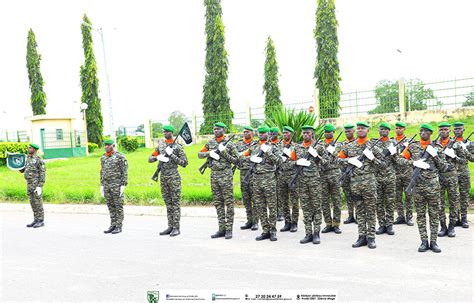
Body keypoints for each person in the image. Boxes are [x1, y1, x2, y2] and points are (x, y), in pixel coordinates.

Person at [399, 124, 447, 253]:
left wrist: (435, 156)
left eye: (426, 131)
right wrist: (413, 163)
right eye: (421, 131)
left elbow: (444, 167)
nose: (423, 133)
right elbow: (400, 160)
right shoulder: (413, 146)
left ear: (431, 133)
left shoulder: (437, 147)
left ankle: (434, 241)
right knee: (420, 216)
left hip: (433, 188)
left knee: (434, 215)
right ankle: (424, 241)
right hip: (418, 187)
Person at [338, 122, 384, 249]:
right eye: (358, 128)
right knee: (360, 211)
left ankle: (371, 238)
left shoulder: (373, 147)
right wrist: (348, 160)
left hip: (369, 184)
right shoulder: (349, 146)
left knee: (370, 211)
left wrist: (372, 159)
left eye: (362, 128)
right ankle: (361, 236)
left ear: (368, 130)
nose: (359, 130)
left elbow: (383, 165)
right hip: (355, 185)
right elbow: (338, 160)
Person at [198, 122, 239, 239]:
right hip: (214, 175)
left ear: (224, 130)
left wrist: (224, 153)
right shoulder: (210, 142)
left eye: (218, 129)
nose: (215, 130)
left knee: (229, 202)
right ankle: (221, 228)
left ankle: (229, 229)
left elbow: (237, 161)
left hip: (226, 175)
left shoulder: (229, 144)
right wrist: (209, 153)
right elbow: (199, 154)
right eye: (214, 129)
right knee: (218, 203)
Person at [242, 125, 281, 241]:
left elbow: (279, 161)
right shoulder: (253, 146)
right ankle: (265, 230)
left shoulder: (273, 147)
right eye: (260, 133)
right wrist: (251, 159)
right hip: (256, 180)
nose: (261, 135)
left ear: (268, 134)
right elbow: (242, 157)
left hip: (269, 179)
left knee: (272, 206)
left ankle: (273, 231)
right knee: (260, 206)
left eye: (264, 133)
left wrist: (268, 152)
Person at [148, 125, 188, 237]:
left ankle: (176, 227)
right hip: (163, 177)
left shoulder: (178, 147)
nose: (165, 133)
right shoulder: (160, 145)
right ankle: (170, 226)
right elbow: (149, 159)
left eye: (167, 132)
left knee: (175, 203)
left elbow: (184, 163)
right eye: (164, 132)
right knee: (168, 203)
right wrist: (158, 157)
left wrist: (172, 155)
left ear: (172, 133)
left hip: (174, 177)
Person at [292, 125, 328, 245]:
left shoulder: (319, 147)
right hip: (302, 182)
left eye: (308, 133)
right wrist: (296, 162)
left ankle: (316, 233)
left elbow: (327, 163)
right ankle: (308, 233)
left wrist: (316, 157)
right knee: (306, 208)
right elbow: (287, 163)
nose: (305, 135)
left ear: (312, 133)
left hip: (315, 182)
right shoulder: (297, 147)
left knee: (317, 207)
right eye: (304, 133)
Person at [435, 122, 464, 238]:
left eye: (446, 129)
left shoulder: (456, 144)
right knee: (439, 203)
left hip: (452, 177)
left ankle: (451, 226)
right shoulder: (434, 145)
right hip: (440, 178)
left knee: (453, 202)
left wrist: (454, 156)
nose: (443, 132)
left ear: (449, 131)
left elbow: (464, 161)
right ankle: (443, 226)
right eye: (441, 130)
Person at [100, 139, 128, 234]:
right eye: (105, 145)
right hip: (107, 185)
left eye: (109, 145)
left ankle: (119, 226)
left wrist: (123, 184)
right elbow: (102, 171)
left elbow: (124, 171)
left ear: (113, 145)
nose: (107, 147)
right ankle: (113, 225)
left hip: (116, 185)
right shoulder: (103, 157)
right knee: (110, 206)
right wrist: (102, 185)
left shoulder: (119, 156)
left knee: (118, 205)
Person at [374, 122, 397, 236]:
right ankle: (381, 224)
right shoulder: (374, 143)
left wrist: (394, 153)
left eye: (385, 129)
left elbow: (397, 161)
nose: (382, 131)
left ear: (389, 131)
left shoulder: (393, 143)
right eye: (381, 129)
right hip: (377, 177)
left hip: (389, 177)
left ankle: (389, 224)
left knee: (390, 201)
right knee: (378, 202)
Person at [320, 123, 343, 234]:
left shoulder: (339, 145)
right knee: (324, 201)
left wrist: (332, 151)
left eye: (329, 132)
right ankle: (328, 223)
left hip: (335, 174)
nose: (327, 133)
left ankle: (336, 224)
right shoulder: (320, 145)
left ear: (334, 133)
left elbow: (340, 157)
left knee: (336, 200)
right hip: (323, 175)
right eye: (326, 132)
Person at [235, 126, 258, 231]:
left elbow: (256, 157)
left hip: (254, 172)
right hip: (243, 172)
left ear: (252, 133)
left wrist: (243, 156)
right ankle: (249, 220)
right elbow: (235, 156)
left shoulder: (256, 144)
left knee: (255, 197)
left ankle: (255, 221)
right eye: (244, 132)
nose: (245, 133)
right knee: (246, 197)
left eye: (247, 132)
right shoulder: (239, 143)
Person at [276, 126, 299, 233]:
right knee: (283, 200)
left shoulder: (296, 146)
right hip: (281, 175)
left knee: (294, 201)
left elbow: (298, 160)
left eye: (287, 133)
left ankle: (294, 223)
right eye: (284, 133)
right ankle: (287, 222)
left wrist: (290, 155)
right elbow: (274, 159)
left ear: (291, 134)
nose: (285, 135)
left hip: (292, 176)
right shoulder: (278, 146)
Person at [393, 121, 414, 226]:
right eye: (396, 128)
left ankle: (409, 217)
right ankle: (400, 216)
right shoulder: (391, 142)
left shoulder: (410, 142)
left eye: (400, 128)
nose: (398, 130)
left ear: (404, 129)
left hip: (407, 172)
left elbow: (414, 156)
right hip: (396, 173)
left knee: (409, 195)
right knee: (397, 196)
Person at [20, 143, 46, 228]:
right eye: (28, 147)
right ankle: (35, 220)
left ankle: (41, 221)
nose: (28, 149)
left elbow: (42, 173)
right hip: (29, 184)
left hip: (36, 185)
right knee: (32, 203)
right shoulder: (27, 159)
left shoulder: (39, 159)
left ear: (34, 149)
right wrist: (18, 167)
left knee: (38, 202)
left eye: (30, 148)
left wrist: (40, 186)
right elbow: (23, 170)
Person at [452, 122, 471, 228]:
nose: (458, 131)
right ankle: (455, 218)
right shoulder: (449, 142)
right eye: (456, 129)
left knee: (464, 196)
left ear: (463, 130)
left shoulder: (469, 143)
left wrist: (465, 150)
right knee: (454, 196)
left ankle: (464, 219)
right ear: (453, 131)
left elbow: (472, 158)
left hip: (464, 172)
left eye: (460, 129)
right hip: (452, 173)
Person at [341, 123, 357, 224]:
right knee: (348, 195)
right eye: (346, 131)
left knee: (356, 195)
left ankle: (358, 216)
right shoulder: (342, 144)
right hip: (345, 173)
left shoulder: (357, 143)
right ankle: (350, 215)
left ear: (353, 131)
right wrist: (348, 160)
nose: (347, 133)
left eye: (349, 131)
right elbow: (339, 158)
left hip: (356, 174)